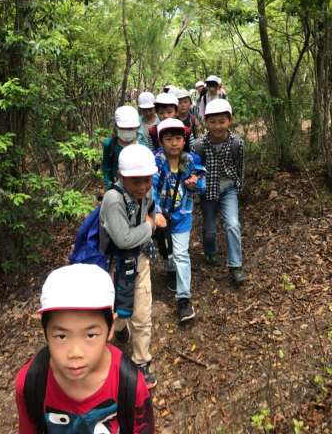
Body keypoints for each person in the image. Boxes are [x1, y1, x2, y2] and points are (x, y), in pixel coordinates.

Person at [15, 264, 155, 433]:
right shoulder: (31, 383)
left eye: (90, 335)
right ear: (45, 331)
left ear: (110, 328)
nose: (75, 353)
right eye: (61, 336)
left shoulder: (130, 384)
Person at [99, 144, 158, 389]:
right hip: (115, 264)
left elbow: (149, 213)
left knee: (142, 311)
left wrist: (148, 224)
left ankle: (141, 360)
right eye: (136, 181)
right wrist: (149, 226)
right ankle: (120, 326)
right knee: (117, 303)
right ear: (122, 177)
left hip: (139, 258)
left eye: (147, 179)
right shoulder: (113, 199)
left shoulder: (148, 192)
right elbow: (123, 239)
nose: (143, 186)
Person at [153, 119, 206, 323]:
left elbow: (201, 186)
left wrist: (194, 184)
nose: (174, 143)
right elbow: (150, 188)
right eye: (168, 139)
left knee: (182, 254)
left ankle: (184, 300)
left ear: (184, 141)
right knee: (166, 248)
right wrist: (157, 212)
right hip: (162, 215)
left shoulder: (190, 160)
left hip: (183, 214)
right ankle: (169, 269)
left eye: (178, 138)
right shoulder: (156, 161)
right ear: (161, 141)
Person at [193, 98, 246, 287]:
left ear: (229, 121)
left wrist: (239, 187)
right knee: (209, 227)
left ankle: (235, 266)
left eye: (222, 121)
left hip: (228, 189)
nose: (217, 126)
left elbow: (240, 167)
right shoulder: (199, 145)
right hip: (208, 190)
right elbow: (195, 169)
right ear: (206, 122)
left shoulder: (237, 143)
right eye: (213, 122)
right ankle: (210, 252)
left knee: (232, 224)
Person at [102, 106, 140, 189]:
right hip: (116, 187)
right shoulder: (109, 144)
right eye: (123, 128)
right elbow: (106, 166)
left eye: (130, 128)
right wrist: (108, 184)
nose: (126, 131)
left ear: (137, 127)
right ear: (116, 126)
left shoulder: (141, 146)